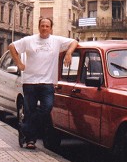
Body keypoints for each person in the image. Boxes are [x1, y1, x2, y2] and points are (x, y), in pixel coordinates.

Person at [8, 17, 78, 150]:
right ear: (39, 27)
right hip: (30, 82)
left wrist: (69, 53)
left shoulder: (56, 41)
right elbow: (12, 47)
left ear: (51, 28)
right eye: (42, 26)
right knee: (30, 111)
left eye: (47, 26)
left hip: (47, 82)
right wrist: (19, 63)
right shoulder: (29, 40)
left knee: (47, 108)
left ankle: (24, 128)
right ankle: (30, 140)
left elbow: (74, 41)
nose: (44, 28)